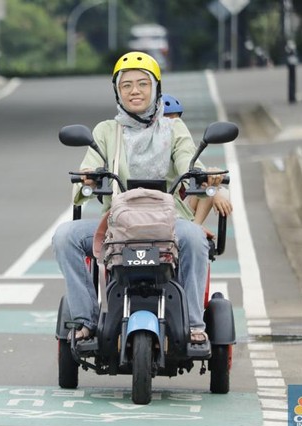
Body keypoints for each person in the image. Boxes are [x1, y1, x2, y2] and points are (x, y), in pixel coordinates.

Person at [51, 51, 225, 344]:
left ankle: (194, 323)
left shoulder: (174, 128)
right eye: (126, 85)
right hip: (118, 224)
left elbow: (187, 160)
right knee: (64, 236)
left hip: (169, 223)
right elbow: (83, 180)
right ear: (117, 92)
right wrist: (90, 177)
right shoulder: (106, 131)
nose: (135, 91)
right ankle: (85, 319)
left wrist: (203, 174)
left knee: (195, 238)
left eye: (143, 84)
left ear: (156, 88)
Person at [161, 93, 233, 227]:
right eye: (166, 121)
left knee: (213, 189)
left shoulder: (182, 145)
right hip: (150, 210)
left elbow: (196, 172)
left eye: (176, 121)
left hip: (179, 210)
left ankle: (195, 228)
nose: (173, 127)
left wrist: (216, 189)